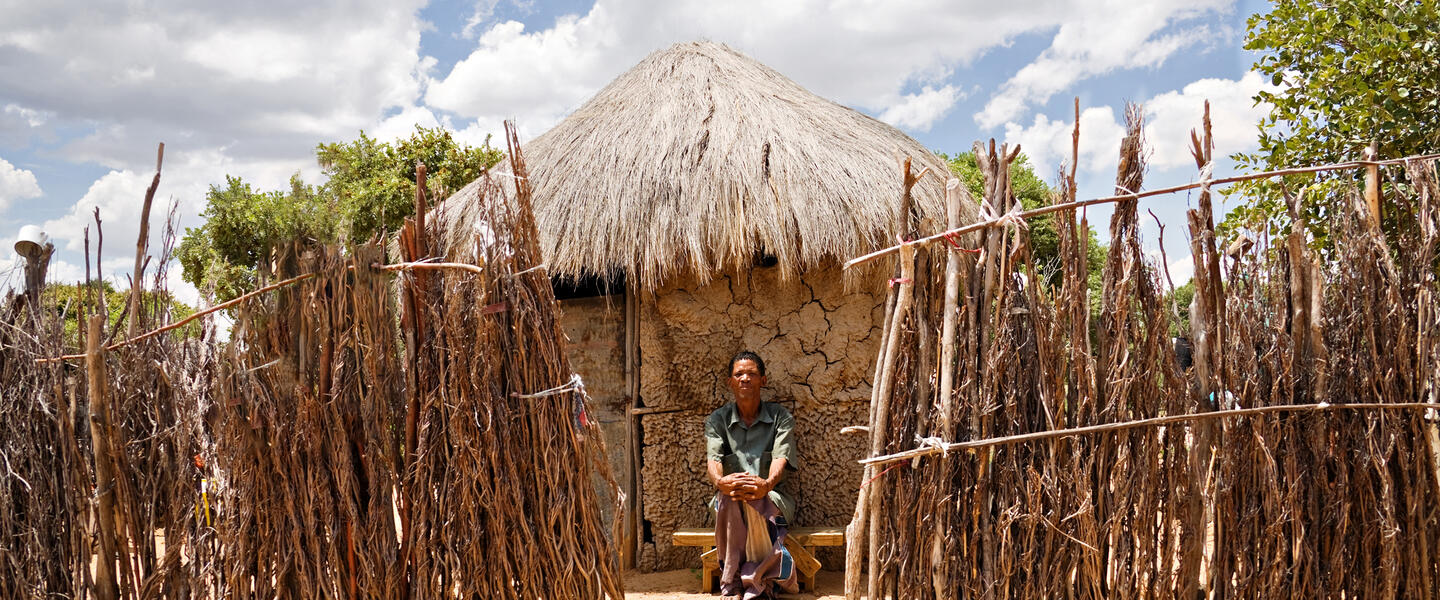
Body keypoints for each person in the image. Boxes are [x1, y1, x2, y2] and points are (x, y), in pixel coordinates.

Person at [704, 351, 799, 600]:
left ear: (763, 381)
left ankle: (736, 582)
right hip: (729, 499)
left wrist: (766, 485)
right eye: (739, 374)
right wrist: (720, 482)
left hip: (774, 498)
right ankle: (758, 583)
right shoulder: (718, 420)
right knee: (731, 497)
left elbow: (781, 457)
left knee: (752, 500)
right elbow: (713, 460)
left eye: (752, 374)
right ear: (730, 382)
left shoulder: (780, 418)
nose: (745, 378)